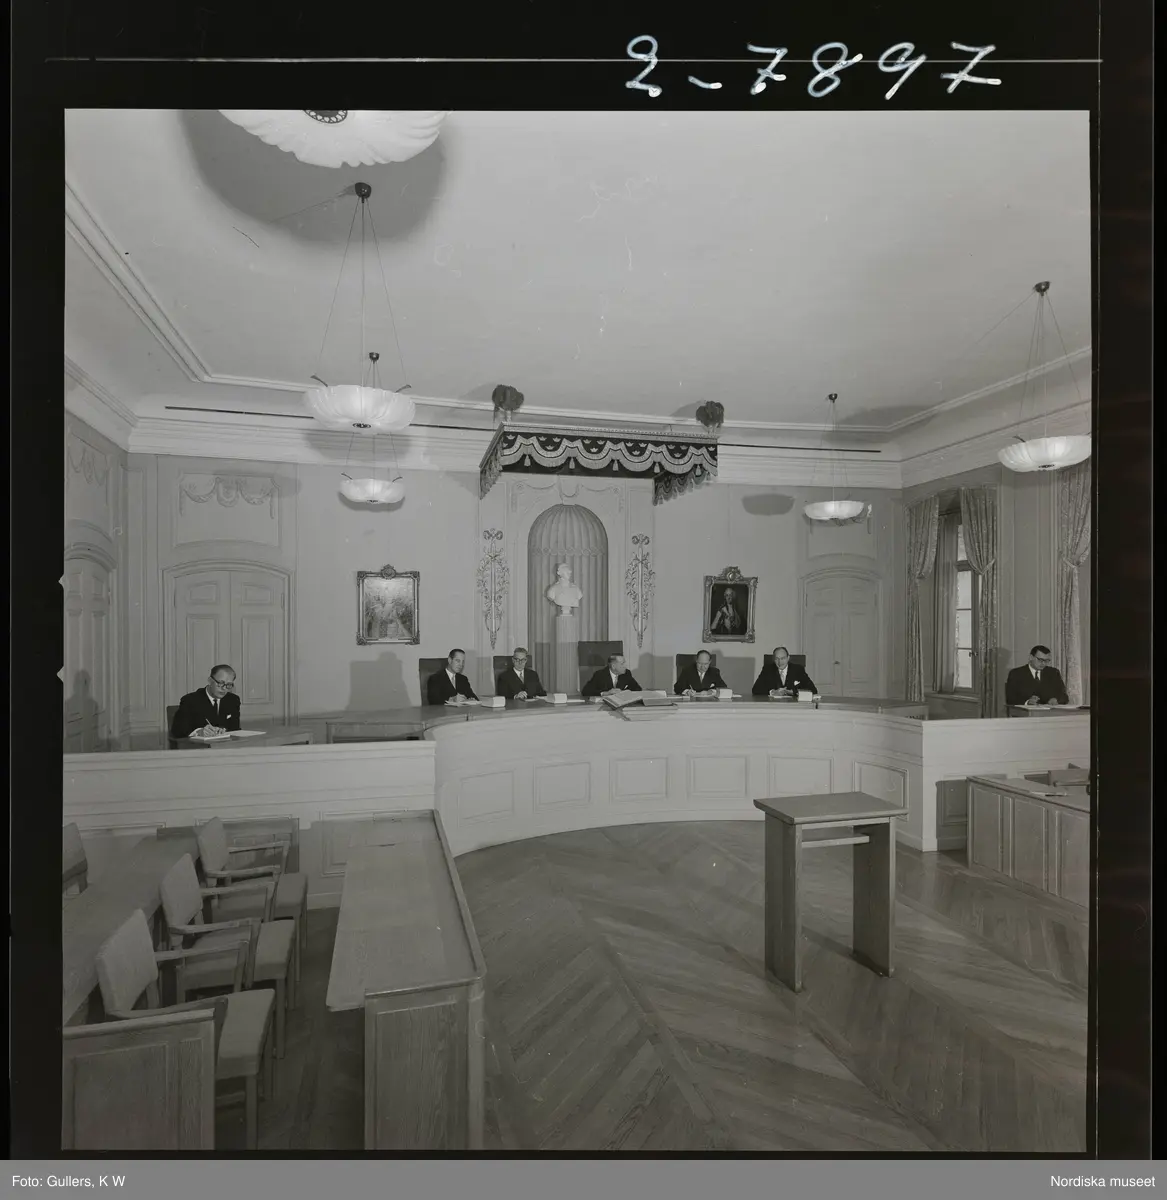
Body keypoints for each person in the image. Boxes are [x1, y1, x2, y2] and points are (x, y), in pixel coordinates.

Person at [171, 665, 242, 738]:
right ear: (210, 681)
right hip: (198, 744)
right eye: (220, 683)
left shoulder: (233, 700)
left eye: (229, 685)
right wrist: (199, 732)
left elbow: (235, 729)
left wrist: (224, 730)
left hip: (225, 744)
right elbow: (177, 731)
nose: (224, 688)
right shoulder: (190, 700)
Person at [1005, 645, 1069, 707]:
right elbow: (1010, 699)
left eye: (1047, 661)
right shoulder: (1016, 674)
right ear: (1031, 657)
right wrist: (1027, 702)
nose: (1043, 663)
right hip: (1025, 713)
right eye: (1040, 660)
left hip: (1049, 713)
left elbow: (1064, 696)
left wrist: (1056, 700)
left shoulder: (1053, 673)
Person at [752, 646, 816, 697]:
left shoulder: (798, 669)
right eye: (777, 659)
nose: (780, 662)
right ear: (774, 659)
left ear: (788, 658)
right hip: (773, 705)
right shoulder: (767, 669)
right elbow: (755, 689)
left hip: (793, 705)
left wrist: (793, 692)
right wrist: (772, 692)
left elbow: (813, 690)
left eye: (783, 658)